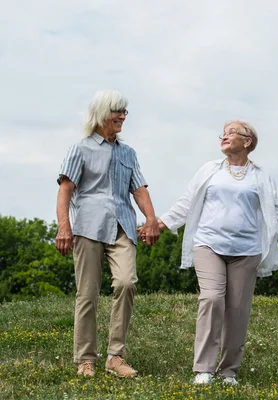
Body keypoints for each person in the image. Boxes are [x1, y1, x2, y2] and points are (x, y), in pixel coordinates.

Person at [152, 120, 278, 386]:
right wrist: (156, 224)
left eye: (231, 133)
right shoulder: (209, 170)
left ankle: (228, 371)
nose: (224, 137)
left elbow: (276, 213)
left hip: (247, 250)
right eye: (223, 134)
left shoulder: (261, 176)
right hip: (208, 244)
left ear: (247, 141)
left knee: (238, 310)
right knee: (212, 299)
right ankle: (203, 369)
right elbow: (186, 203)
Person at [55, 90, 160, 378]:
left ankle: (115, 357)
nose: (123, 116)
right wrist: (64, 226)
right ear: (102, 113)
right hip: (88, 227)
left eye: (125, 111)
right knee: (87, 294)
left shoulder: (128, 153)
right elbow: (65, 191)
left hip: (123, 226)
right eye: (118, 111)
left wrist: (151, 219)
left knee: (126, 282)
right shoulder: (80, 149)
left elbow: (139, 189)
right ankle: (85, 359)